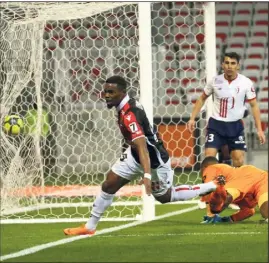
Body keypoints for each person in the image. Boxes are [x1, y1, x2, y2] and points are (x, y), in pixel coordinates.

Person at [64, 76, 224, 236]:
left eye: (111, 92)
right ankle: (89, 227)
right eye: (105, 91)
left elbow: (143, 147)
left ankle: (211, 186)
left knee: (165, 196)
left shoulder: (130, 114)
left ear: (122, 92)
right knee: (109, 185)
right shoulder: (125, 106)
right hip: (134, 155)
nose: (106, 95)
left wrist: (147, 174)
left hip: (154, 160)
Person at [187, 52, 266, 167]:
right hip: (216, 125)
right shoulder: (215, 81)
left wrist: (259, 130)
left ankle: (235, 184)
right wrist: (192, 118)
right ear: (223, 65)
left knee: (238, 160)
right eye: (227, 63)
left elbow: (254, 106)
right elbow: (201, 99)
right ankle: (209, 184)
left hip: (235, 126)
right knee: (209, 157)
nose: (230, 66)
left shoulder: (246, 83)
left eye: (233, 63)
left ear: (238, 66)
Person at [200, 156, 268, 224]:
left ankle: (213, 217)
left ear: (204, 167)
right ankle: (226, 220)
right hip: (262, 178)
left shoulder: (210, 168)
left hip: (245, 177)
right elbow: (248, 212)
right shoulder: (227, 173)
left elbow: (208, 190)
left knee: (224, 200)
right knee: (255, 211)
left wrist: (210, 215)